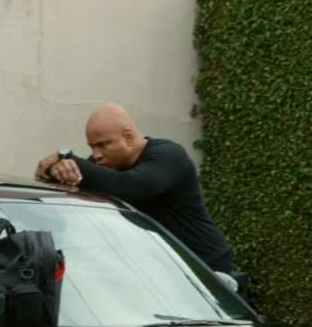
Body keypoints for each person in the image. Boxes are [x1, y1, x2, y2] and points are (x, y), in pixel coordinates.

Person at [34, 104, 237, 280]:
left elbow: (127, 188)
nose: (96, 155)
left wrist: (66, 157)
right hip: (164, 271)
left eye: (102, 145)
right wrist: (57, 168)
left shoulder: (168, 155)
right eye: (92, 147)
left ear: (129, 137)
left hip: (207, 269)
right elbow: (75, 177)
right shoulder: (107, 165)